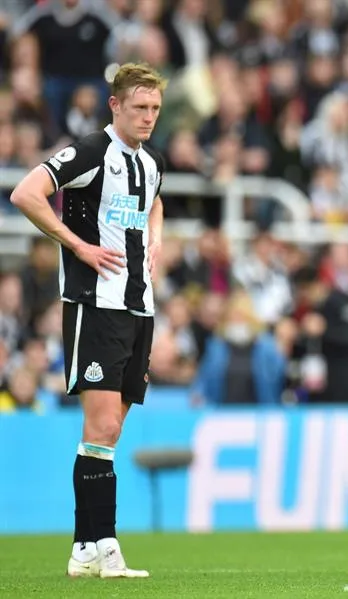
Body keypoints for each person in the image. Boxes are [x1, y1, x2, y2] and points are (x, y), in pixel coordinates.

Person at [10, 63, 167, 579]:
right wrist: (78, 245)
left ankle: (84, 549)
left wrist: (156, 240)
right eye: (140, 107)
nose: (149, 117)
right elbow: (27, 193)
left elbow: (155, 200)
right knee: (100, 427)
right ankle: (105, 543)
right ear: (115, 105)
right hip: (95, 304)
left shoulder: (150, 164)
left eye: (156, 109)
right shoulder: (90, 152)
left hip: (138, 305)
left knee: (111, 430)